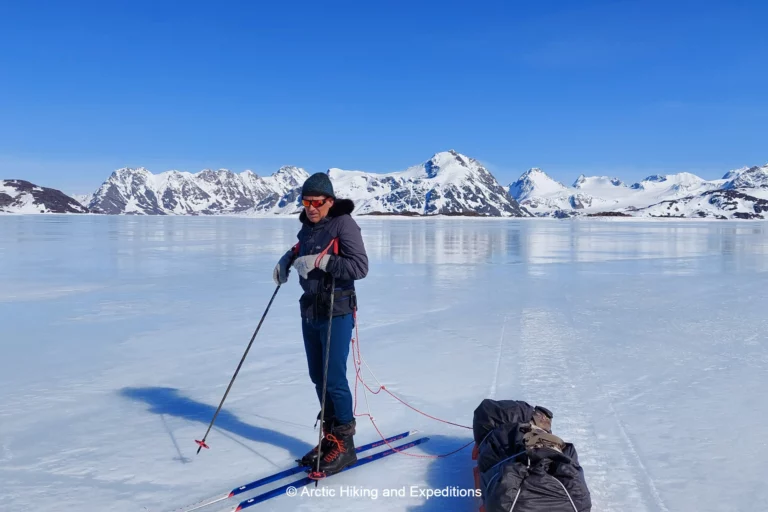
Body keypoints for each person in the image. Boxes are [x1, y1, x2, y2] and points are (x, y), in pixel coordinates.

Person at [272, 172, 368, 476]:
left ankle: (345, 444)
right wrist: (287, 259)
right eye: (305, 201)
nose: (311, 207)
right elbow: (302, 248)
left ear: (330, 201)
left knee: (334, 377)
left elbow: (360, 266)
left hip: (336, 311)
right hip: (311, 311)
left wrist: (323, 262)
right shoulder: (307, 227)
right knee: (318, 376)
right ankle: (330, 438)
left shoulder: (344, 223)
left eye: (317, 202)